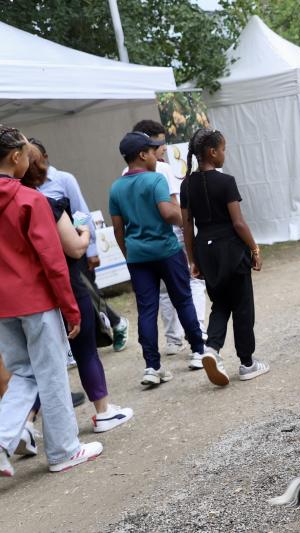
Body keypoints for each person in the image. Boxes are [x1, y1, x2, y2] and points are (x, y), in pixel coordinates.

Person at [0, 125, 102, 477]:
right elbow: (53, 260)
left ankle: (0, 443)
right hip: (36, 301)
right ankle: (63, 450)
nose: (32, 159)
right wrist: (71, 307)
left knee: (23, 373)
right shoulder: (31, 199)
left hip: (3, 305)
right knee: (52, 374)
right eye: (28, 154)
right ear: (15, 158)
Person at [22, 144, 134, 431]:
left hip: (32, 289)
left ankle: (26, 424)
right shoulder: (48, 204)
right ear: (41, 166)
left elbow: (80, 211)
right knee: (84, 349)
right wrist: (84, 234)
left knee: (40, 361)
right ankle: (103, 410)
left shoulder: (19, 200)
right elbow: (75, 242)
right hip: (68, 279)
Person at [109, 132, 210, 386]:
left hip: (137, 256)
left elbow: (118, 229)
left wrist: (128, 253)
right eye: (154, 151)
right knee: (183, 298)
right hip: (166, 251)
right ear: (142, 155)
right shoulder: (154, 180)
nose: (157, 155)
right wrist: (186, 219)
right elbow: (167, 213)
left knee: (146, 310)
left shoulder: (116, 187)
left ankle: (152, 366)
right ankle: (199, 350)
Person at [180, 129, 269, 386]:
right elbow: (238, 223)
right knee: (242, 306)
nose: (224, 154)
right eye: (223, 149)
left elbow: (187, 226)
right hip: (230, 248)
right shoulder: (226, 181)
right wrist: (255, 249)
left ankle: (212, 350)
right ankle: (247, 363)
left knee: (220, 304)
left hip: (205, 251)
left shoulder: (187, 184)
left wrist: (192, 260)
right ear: (212, 152)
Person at [32, 138, 130, 351]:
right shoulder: (26, 186)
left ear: (45, 158)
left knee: (89, 293)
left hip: (75, 249)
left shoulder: (63, 179)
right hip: (49, 255)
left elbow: (79, 212)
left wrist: (90, 247)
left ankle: (116, 323)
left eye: (35, 158)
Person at [130, 120, 207, 357]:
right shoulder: (160, 170)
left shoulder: (124, 175)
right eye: (159, 144)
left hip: (142, 246)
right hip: (169, 238)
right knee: (191, 283)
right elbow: (174, 206)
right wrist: (187, 228)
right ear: (147, 147)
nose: (163, 148)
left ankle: (172, 340)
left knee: (162, 294)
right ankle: (198, 336)